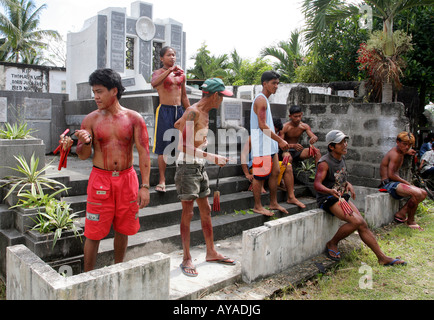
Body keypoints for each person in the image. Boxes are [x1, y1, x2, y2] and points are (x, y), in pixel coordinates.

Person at [60, 68, 151, 272]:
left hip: (127, 179)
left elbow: (144, 153)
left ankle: (118, 269)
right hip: (101, 179)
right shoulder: (91, 120)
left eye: (99, 91)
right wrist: (82, 143)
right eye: (94, 92)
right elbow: (83, 155)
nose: (96, 97)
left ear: (114, 91)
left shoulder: (134, 118)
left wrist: (145, 186)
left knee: (123, 229)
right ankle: (87, 276)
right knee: (93, 232)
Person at [314, 130, 407, 266]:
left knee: (362, 223)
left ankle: (382, 257)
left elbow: (338, 178)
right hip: (328, 198)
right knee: (356, 222)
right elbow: (317, 184)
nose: (345, 145)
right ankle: (332, 243)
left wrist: (348, 184)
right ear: (331, 147)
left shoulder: (341, 158)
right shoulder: (324, 162)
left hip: (340, 197)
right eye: (341, 143)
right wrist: (329, 190)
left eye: (345, 142)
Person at [173, 78, 235, 277]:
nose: (222, 101)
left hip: (199, 166)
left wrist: (196, 138)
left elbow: (177, 124)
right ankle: (186, 258)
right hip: (187, 167)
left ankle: (211, 252)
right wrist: (213, 156)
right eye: (222, 97)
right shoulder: (193, 111)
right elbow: (183, 146)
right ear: (215, 96)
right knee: (188, 213)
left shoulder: (201, 113)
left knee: (206, 209)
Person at [250, 71, 290, 216]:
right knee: (259, 176)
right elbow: (262, 125)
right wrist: (280, 139)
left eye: (277, 83)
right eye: (273, 83)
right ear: (264, 83)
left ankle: (273, 203)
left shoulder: (265, 100)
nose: (276, 86)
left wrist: (276, 141)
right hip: (261, 143)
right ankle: (257, 206)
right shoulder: (260, 100)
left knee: (276, 172)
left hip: (270, 143)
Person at [151, 46, 190, 193]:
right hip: (164, 111)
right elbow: (154, 84)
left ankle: (181, 178)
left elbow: (184, 95)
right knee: (164, 147)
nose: (172, 57)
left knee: (181, 145)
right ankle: (162, 180)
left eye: (174, 55)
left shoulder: (181, 74)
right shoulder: (158, 73)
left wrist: (191, 112)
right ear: (162, 58)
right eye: (169, 55)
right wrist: (169, 71)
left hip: (179, 111)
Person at [379, 131, 427, 230]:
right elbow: (391, 175)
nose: (407, 147)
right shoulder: (395, 154)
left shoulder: (400, 152)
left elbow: (403, 151)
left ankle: (401, 214)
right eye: (404, 144)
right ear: (397, 142)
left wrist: (407, 151)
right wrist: (407, 183)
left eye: (409, 145)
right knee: (417, 193)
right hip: (388, 184)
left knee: (423, 193)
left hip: (394, 183)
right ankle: (410, 221)